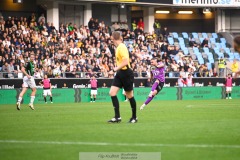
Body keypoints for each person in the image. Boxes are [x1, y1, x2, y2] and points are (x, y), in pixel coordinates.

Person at [108, 31, 137, 123]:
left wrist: (114, 69)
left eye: (111, 37)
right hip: (121, 73)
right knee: (112, 92)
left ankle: (134, 117)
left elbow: (125, 62)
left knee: (130, 96)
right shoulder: (118, 47)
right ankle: (117, 117)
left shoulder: (122, 47)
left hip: (126, 73)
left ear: (113, 38)